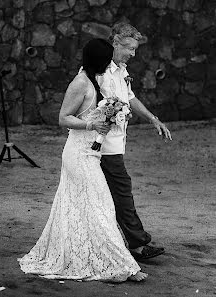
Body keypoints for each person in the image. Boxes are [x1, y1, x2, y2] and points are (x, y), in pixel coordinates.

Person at [18, 38, 147, 282]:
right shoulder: (80, 82)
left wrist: (112, 116)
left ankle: (102, 260)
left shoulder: (93, 79)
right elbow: (63, 118)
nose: (110, 62)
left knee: (85, 208)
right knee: (102, 207)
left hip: (91, 153)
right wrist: (91, 123)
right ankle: (119, 266)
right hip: (78, 155)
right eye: (107, 58)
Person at [98, 22, 172, 260]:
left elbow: (130, 98)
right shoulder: (100, 71)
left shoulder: (122, 70)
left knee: (112, 193)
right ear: (115, 42)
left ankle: (117, 240)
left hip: (118, 143)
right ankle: (137, 244)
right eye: (129, 48)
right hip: (104, 144)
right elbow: (92, 106)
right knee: (122, 191)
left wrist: (153, 119)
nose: (133, 53)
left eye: (135, 49)